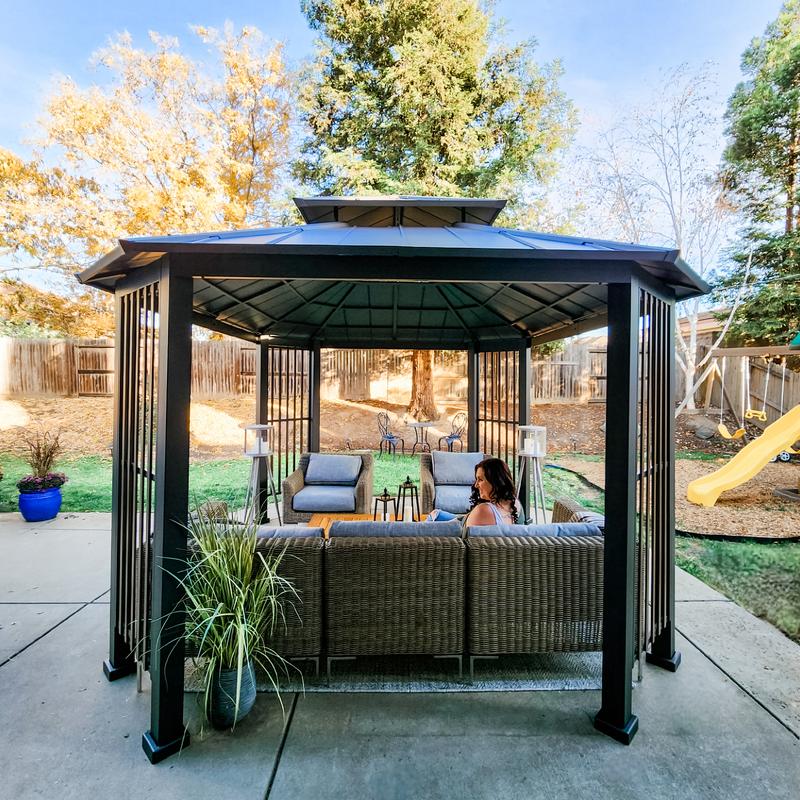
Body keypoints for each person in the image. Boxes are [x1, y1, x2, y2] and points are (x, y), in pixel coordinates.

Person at [464, 457, 522, 527]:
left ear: (495, 481)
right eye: (477, 479)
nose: (476, 485)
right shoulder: (515, 503)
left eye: (480, 480)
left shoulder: (483, 510)